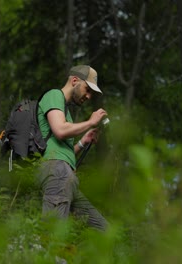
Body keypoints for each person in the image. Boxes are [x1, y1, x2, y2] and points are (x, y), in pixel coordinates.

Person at [36, 65, 108, 230]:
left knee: (104, 231)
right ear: (74, 80)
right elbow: (61, 131)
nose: (89, 96)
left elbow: (62, 153)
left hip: (64, 174)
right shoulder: (54, 95)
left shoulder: (64, 112)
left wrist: (82, 142)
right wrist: (90, 122)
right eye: (87, 89)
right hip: (57, 172)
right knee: (53, 232)